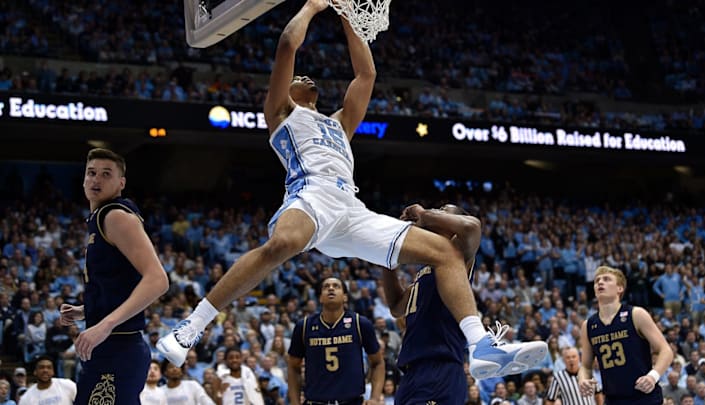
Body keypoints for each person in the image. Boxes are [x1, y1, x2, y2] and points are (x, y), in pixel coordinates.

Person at [158, 3, 546, 380]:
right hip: (311, 195)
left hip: (351, 208)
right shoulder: (280, 114)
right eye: (300, 78)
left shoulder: (339, 123)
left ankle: (480, 347)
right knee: (281, 244)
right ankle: (191, 327)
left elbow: (366, 76)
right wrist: (312, 7)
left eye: (310, 77)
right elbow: (287, 46)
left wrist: (346, 13)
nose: (307, 78)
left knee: (446, 252)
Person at [383, 203, 542, 403]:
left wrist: (424, 215)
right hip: (411, 373)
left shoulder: (458, 255)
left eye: (442, 210)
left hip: (440, 370)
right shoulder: (425, 272)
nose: (436, 211)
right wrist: (386, 259)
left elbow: (472, 227)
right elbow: (397, 307)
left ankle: (485, 346)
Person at [60, 148, 170, 404]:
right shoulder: (100, 218)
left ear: (121, 183)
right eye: (91, 173)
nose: (96, 179)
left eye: (106, 174)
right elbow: (120, 285)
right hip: (111, 347)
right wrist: (87, 310)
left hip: (119, 346)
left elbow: (158, 280)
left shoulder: (116, 216)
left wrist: (105, 324)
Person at [579, 266, 673, 404]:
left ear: (620, 288)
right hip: (613, 399)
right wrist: (583, 380)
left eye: (606, 279)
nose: (600, 282)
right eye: (597, 280)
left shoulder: (636, 314)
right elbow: (586, 366)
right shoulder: (588, 325)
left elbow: (666, 350)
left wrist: (653, 376)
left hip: (644, 396)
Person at [287, 277, 384, 405]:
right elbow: (293, 367)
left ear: (345, 297)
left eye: (336, 286)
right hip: (315, 401)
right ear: (320, 297)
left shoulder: (360, 324)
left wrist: (375, 398)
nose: (331, 288)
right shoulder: (304, 326)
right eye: (326, 287)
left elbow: (378, 363)